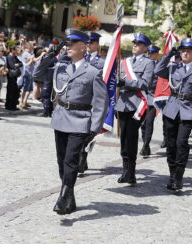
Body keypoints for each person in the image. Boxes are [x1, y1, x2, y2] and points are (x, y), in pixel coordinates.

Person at [34, 28, 108, 215]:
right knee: (61, 161)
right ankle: (70, 196)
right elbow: (37, 74)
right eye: (66, 44)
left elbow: (101, 102)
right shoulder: (61, 66)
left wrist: (95, 127)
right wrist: (49, 55)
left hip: (80, 120)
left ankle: (63, 195)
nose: (67, 47)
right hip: (60, 118)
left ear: (83, 47)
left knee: (71, 160)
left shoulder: (93, 72)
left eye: (72, 44)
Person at [154, 38, 192, 190]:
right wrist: (169, 53)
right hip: (171, 109)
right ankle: (171, 174)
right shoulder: (172, 67)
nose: (185, 53)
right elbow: (157, 70)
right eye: (183, 50)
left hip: (189, 110)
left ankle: (179, 177)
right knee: (171, 144)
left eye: (188, 51)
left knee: (181, 143)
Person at [116, 33, 154, 185]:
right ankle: (125, 169)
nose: (135, 46)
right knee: (123, 137)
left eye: (138, 44)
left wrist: (125, 82)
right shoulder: (124, 62)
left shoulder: (148, 63)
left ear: (145, 47)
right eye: (134, 43)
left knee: (131, 137)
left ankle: (131, 172)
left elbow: (145, 83)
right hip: (123, 103)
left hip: (137, 103)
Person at [77, 31, 106, 173]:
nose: (89, 45)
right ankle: (81, 158)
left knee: (88, 132)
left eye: (92, 42)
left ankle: (82, 158)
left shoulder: (102, 62)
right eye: (87, 42)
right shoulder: (80, 58)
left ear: (97, 45)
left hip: (94, 100)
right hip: (80, 99)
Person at [140, 45, 160, 157]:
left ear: (157, 54)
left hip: (153, 98)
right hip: (142, 97)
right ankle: (145, 144)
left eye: (152, 53)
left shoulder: (159, 66)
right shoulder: (145, 64)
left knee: (149, 122)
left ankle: (146, 145)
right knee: (143, 123)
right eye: (149, 53)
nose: (150, 55)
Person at [6, 45, 23, 111]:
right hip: (11, 75)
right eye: (15, 50)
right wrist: (16, 65)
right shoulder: (9, 57)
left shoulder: (15, 57)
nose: (16, 51)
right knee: (11, 90)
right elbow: (12, 66)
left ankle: (13, 105)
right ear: (12, 50)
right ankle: (9, 106)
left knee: (15, 91)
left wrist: (18, 64)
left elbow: (21, 63)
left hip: (15, 75)